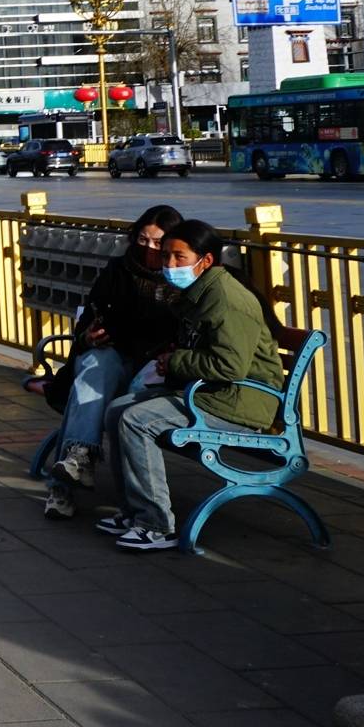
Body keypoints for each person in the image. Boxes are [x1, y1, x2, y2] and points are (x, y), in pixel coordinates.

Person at [98, 219, 286, 552]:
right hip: (213, 393)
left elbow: (229, 366)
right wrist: (174, 358)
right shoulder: (200, 292)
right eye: (166, 256)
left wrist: (176, 361)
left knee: (136, 420)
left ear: (206, 260)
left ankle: (156, 525)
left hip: (241, 401)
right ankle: (133, 512)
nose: (170, 265)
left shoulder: (225, 298)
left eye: (179, 257)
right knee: (117, 410)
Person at [39, 205, 183, 519]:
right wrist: (88, 337)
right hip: (114, 359)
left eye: (158, 243)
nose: (149, 248)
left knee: (87, 393)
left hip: (154, 369)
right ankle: (79, 459)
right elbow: (87, 320)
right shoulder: (119, 269)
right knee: (95, 367)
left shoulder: (179, 276)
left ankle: (65, 480)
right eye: (143, 240)